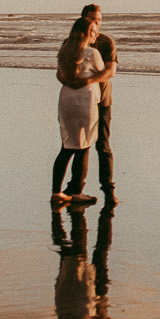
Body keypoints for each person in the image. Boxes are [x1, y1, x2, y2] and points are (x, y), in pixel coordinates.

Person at [51, 15, 114, 204]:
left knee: (67, 145)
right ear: (89, 33)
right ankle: (77, 192)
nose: (97, 36)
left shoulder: (65, 51)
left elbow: (59, 74)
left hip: (66, 98)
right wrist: (88, 80)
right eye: (94, 32)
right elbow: (104, 74)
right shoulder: (92, 54)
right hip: (85, 99)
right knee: (84, 144)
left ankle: (56, 192)